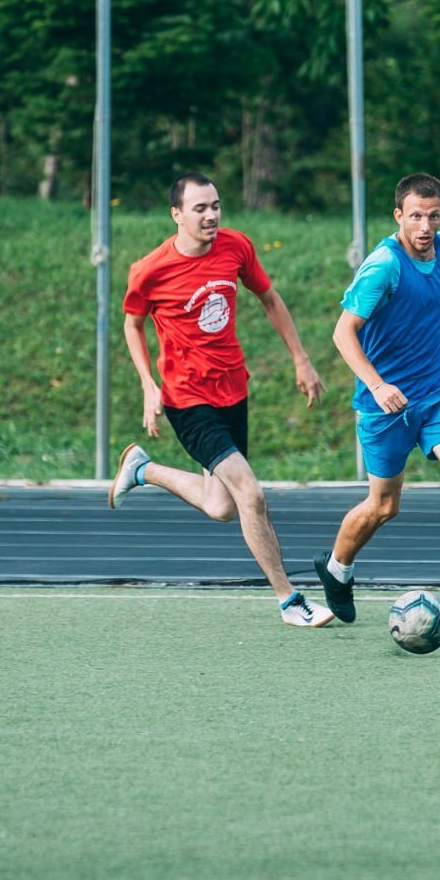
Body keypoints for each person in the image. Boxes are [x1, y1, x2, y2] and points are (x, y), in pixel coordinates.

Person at [110, 173, 334, 628]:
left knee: (222, 506)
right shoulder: (150, 269)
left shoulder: (236, 247)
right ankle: (290, 601)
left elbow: (269, 298)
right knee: (251, 494)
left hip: (232, 390)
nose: (211, 215)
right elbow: (133, 324)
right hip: (187, 399)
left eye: (215, 206)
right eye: (200, 208)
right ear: (177, 214)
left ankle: (143, 469)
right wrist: (148, 385)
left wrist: (301, 359)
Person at [312, 172, 440, 643]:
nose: (425, 227)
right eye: (416, 216)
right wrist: (378, 384)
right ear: (398, 216)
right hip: (386, 404)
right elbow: (343, 333)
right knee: (384, 505)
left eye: (434, 216)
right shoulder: (382, 266)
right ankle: (337, 568)